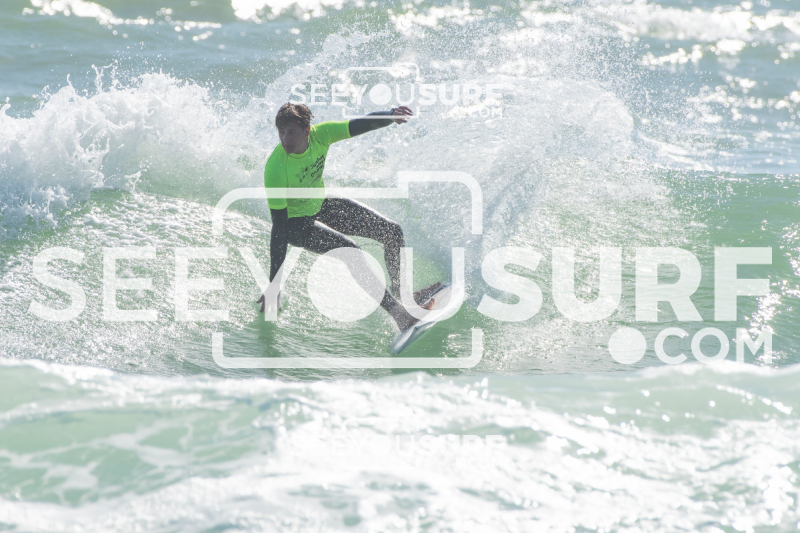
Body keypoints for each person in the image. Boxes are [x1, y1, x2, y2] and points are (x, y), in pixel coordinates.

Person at [257, 102, 440, 331]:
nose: (285, 139)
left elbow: (360, 124)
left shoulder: (321, 135)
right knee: (351, 252)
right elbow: (279, 229)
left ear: (306, 130)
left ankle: (404, 296)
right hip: (295, 225)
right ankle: (399, 314)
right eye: (281, 132)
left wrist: (390, 115)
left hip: (318, 204)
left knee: (392, 231)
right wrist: (274, 284)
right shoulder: (276, 169)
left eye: (291, 132)